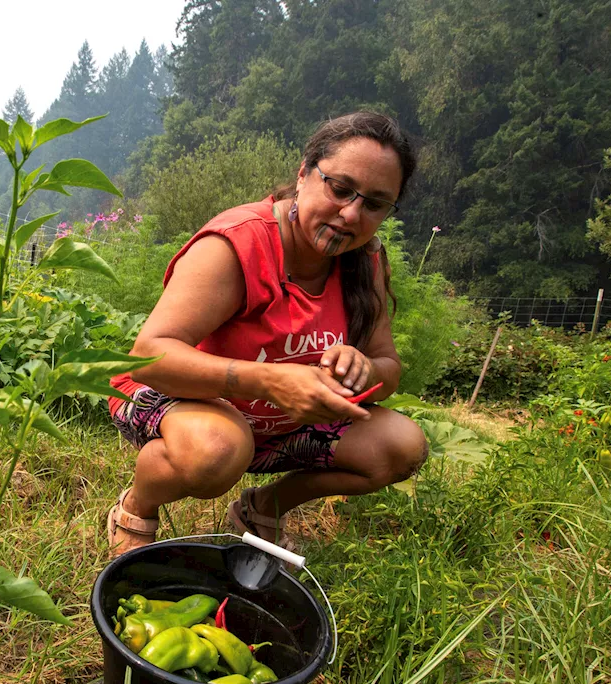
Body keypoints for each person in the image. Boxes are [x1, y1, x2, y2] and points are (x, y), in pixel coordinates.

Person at [105, 111, 429, 555]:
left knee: (402, 447)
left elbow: (388, 369)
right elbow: (149, 355)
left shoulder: (364, 260)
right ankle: (137, 506)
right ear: (303, 175)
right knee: (217, 450)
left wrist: (365, 366)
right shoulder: (239, 243)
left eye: (374, 203)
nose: (351, 214)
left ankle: (263, 507)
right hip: (181, 398)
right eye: (340, 188)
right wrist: (273, 381)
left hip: (279, 425)